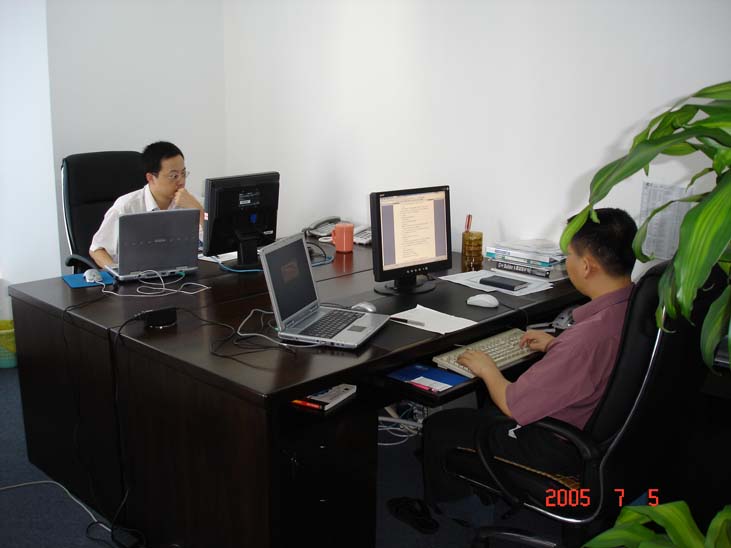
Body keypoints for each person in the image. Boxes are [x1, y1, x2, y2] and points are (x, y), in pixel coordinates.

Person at [419, 207, 638, 515]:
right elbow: (596, 360)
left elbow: (512, 404)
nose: (566, 262)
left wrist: (488, 369)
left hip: (558, 447)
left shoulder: (585, 340)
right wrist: (557, 346)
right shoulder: (637, 307)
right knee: (486, 407)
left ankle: (460, 514)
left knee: (441, 426)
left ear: (587, 266)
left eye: (569, 256)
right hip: (608, 437)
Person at [89, 141, 204, 269]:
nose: (181, 181)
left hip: (178, 272)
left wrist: (199, 210)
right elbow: (96, 249)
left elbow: (210, 243)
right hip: (136, 275)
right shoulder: (126, 207)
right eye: (173, 176)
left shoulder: (189, 202)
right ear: (150, 178)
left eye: (183, 173)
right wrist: (117, 272)